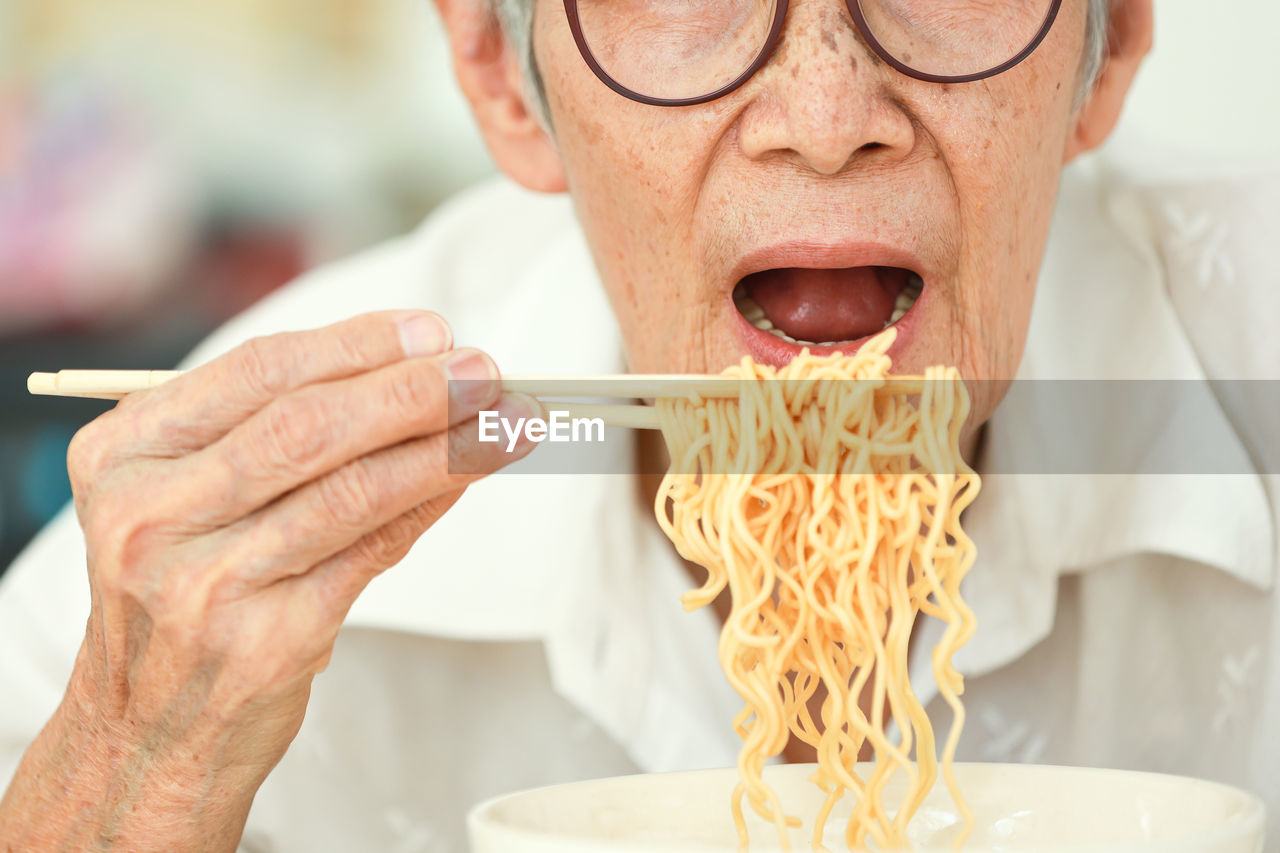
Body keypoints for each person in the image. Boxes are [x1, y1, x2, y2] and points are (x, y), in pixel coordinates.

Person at [2, 0, 1278, 849]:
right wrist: (128, 774)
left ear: (1103, 50)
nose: (827, 122)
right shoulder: (225, 553)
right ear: (505, 76)